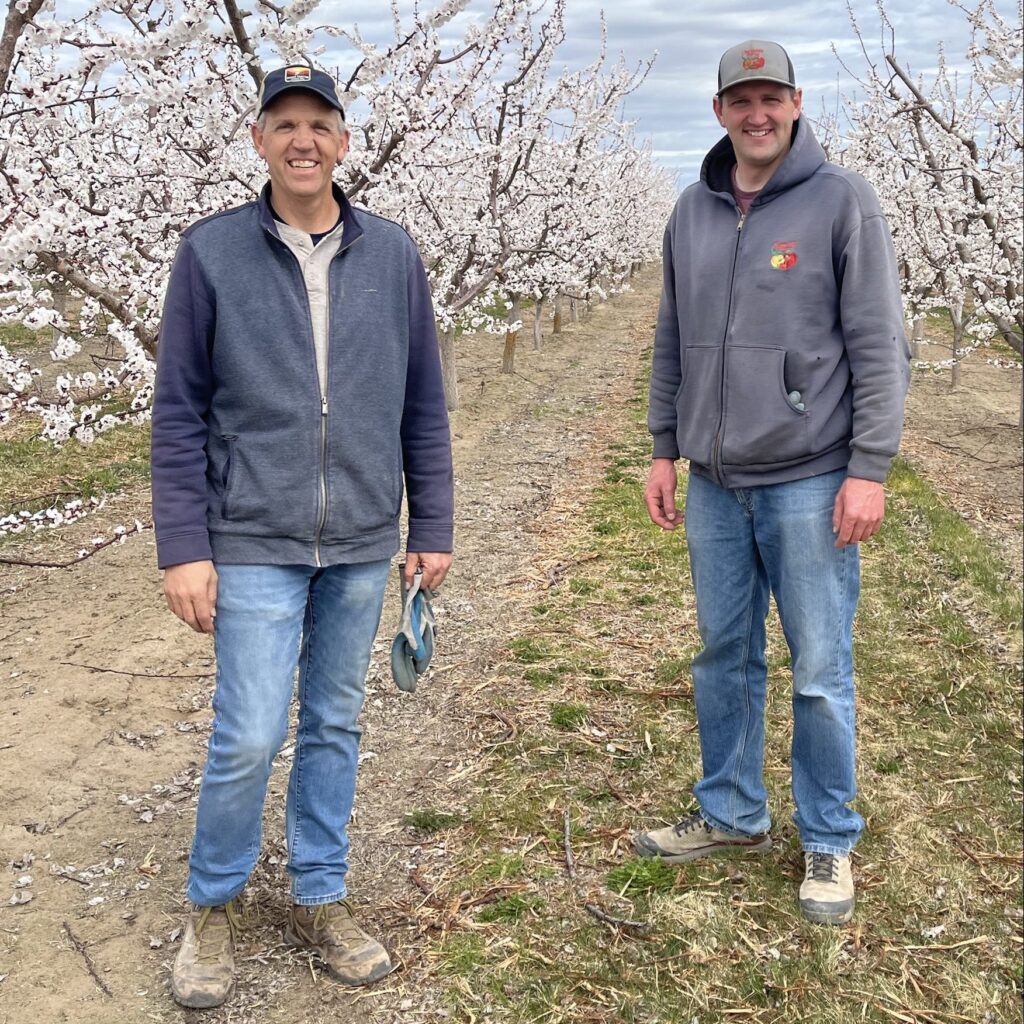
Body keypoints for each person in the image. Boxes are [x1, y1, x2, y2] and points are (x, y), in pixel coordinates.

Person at [151, 65, 454, 1007]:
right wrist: (182, 544)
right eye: (284, 124)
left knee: (334, 724)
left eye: (318, 123)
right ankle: (214, 905)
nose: (303, 140)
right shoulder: (212, 256)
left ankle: (321, 895)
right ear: (259, 141)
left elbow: (424, 403)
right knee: (247, 733)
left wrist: (431, 522)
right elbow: (179, 413)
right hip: (251, 537)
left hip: (363, 536)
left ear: (344, 141)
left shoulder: (393, 255)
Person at [635, 40, 909, 925]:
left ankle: (829, 836)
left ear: (795, 103)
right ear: (719, 111)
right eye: (740, 100)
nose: (756, 114)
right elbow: (672, 335)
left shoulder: (841, 201)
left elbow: (879, 343)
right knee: (723, 656)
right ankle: (732, 812)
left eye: (771, 98)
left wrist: (869, 468)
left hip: (809, 477)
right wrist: (662, 445)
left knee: (820, 667)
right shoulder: (692, 209)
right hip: (715, 482)